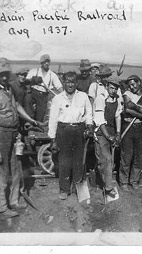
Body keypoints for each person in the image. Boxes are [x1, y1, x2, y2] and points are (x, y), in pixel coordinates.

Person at [0, 60, 41, 218]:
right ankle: (1, 207)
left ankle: (14, 200)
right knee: (0, 172)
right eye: (1, 75)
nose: (5, 78)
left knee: (15, 169)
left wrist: (31, 120)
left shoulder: (7, 89)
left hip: (13, 133)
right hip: (0, 135)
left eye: (6, 74)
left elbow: (17, 106)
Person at [48, 72, 93, 200]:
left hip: (79, 130)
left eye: (73, 82)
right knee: (64, 162)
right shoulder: (58, 99)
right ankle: (64, 189)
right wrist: (53, 139)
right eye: (68, 82)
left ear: (76, 83)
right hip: (64, 131)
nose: (70, 84)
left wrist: (89, 127)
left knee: (79, 161)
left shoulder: (83, 96)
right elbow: (53, 120)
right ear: (64, 83)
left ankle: (77, 187)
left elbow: (89, 113)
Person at [119, 75, 142, 190]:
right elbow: (127, 108)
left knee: (139, 156)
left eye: (134, 84)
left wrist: (135, 108)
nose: (131, 86)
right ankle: (123, 181)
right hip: (128, 127)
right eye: (129, 85)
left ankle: (134, 180)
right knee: (127, 155)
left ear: (139, 82)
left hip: (141, 128)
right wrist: (141, 113)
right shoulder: (127, 94)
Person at [93, 77, 123, 200]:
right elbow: (100, 121)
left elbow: (117, 117)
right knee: (106, 159)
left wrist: (118, 133)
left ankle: (105, 183)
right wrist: (108, 136)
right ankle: (108, 187)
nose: (113, 90)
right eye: (111, 87)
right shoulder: (100, 99)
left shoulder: (116, 99)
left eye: (115, 88)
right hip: (101, 131)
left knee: (105, 160)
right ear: (107, 87)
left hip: (110, 129)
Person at [25, 54, 63, 122]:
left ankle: (38, 125)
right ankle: (29, 120)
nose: (46, 63)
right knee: (28, 99)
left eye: (48, 62)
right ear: (41, 63)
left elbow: (59, 87)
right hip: (33, 92)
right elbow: (26, 81)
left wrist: (64, 95)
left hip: (43, 95)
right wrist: (33, 80)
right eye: (44, 62)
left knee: (41, 113)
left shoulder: (52, 75)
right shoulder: (34, 71)